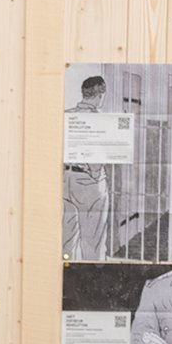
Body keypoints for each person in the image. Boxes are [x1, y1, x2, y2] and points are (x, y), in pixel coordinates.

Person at [63, 74, 111, 260]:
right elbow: (97, 156)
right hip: (89, 182)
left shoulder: (66, 115)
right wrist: (96, 174)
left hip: (63, 179)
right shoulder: (99, 119)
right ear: (100, 95)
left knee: (66, 240)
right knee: (93, 240)